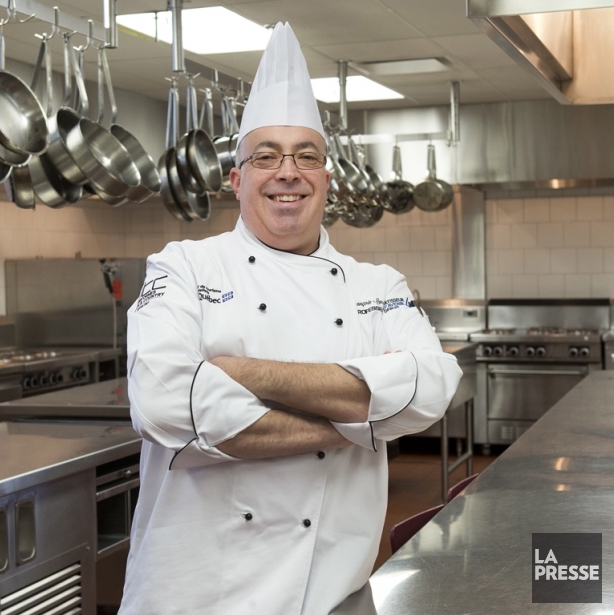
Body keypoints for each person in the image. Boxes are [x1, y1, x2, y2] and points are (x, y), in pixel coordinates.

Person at [118, 22, 463, 615]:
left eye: (307, 155)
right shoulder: (180, 268)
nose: (288, 171)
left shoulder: (377, 285)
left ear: (326, 179)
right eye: (267, 156)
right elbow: (163, 402)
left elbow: (432, 387)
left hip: (331, 595)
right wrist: (365, 418)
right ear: (237, 178)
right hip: (195, 597)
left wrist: (239, 372)